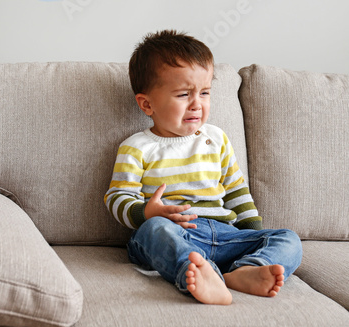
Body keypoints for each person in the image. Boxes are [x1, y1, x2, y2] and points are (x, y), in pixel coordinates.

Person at [104, 30, 302, 305]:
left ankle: (244, 270)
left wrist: (252, 232)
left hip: (225, 235)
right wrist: (147, 212)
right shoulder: (136, 147)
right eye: (184, 94)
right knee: (153, 231)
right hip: (176, 231)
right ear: (147, 103)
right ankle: (196, 273)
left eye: (205, 92)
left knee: (289, 239)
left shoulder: (216, 139)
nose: (197, 104)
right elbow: (117, 197)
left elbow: (236, 190)